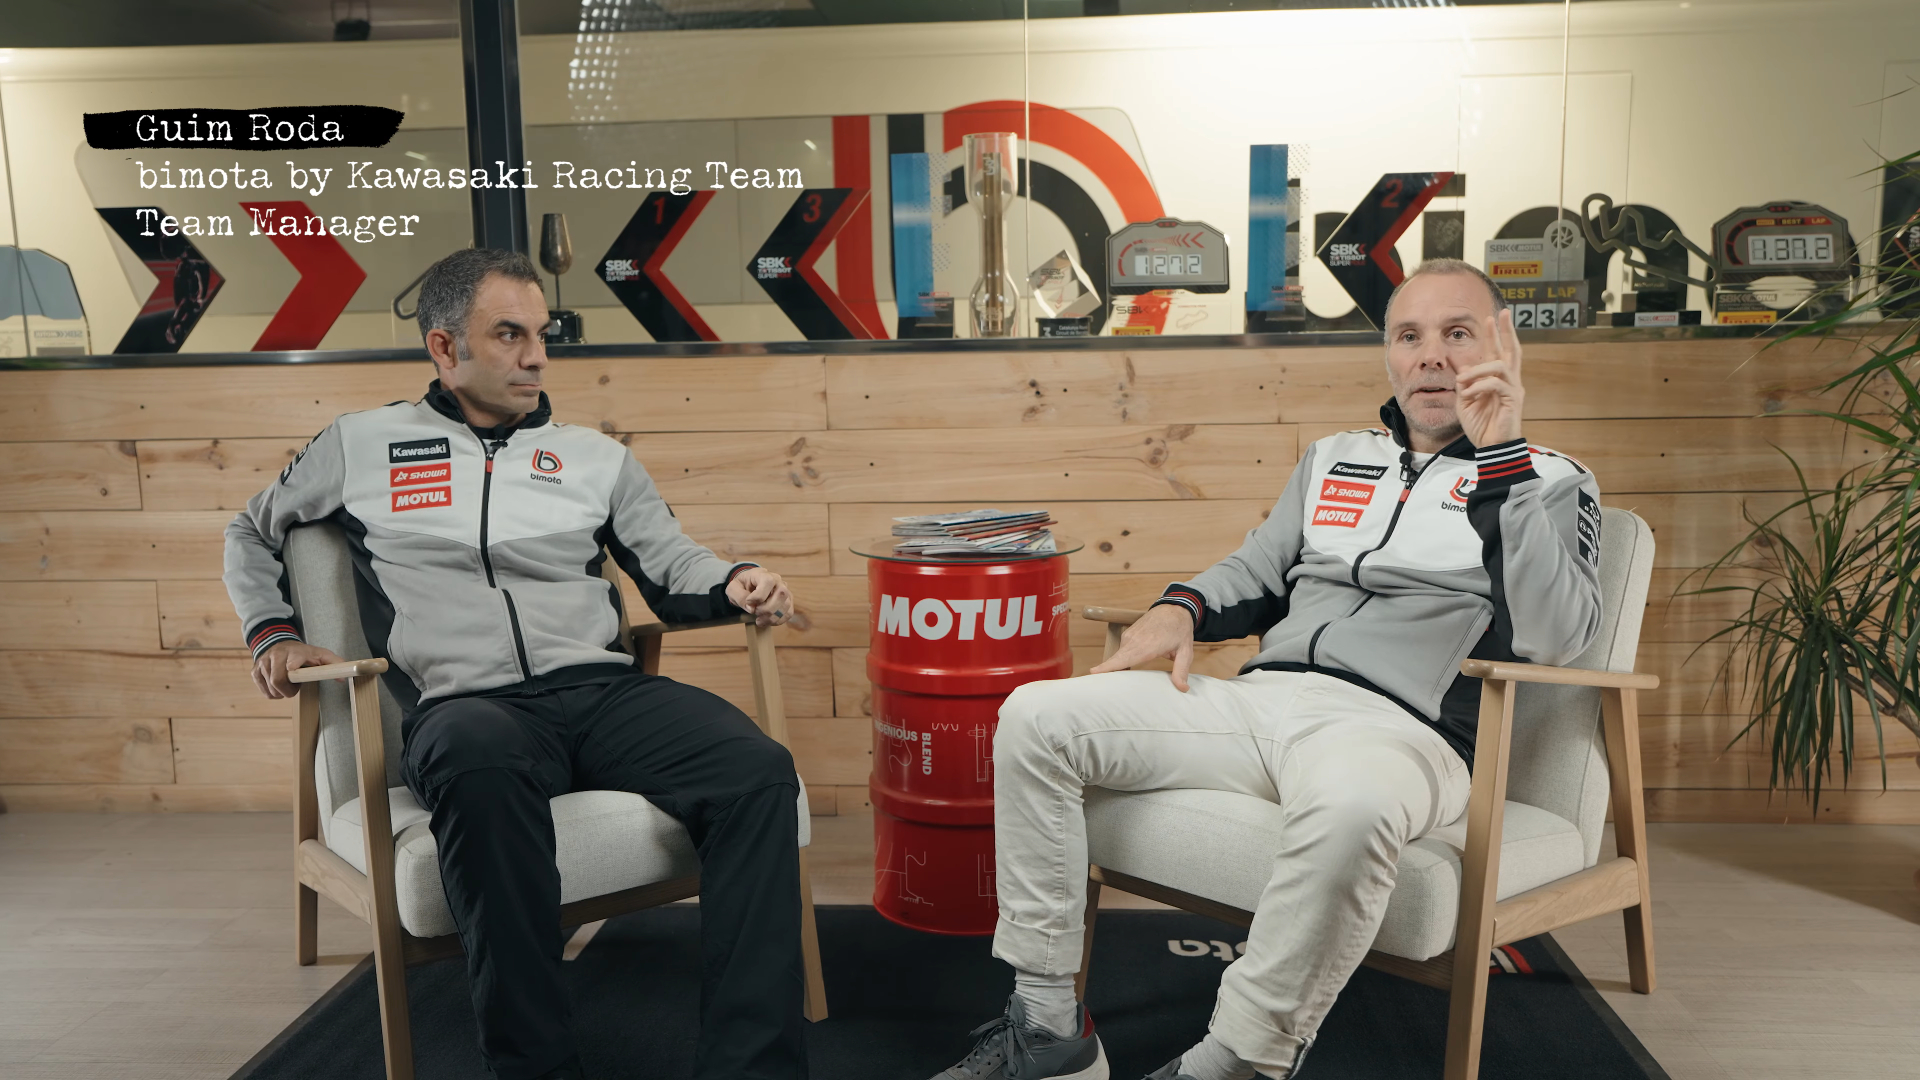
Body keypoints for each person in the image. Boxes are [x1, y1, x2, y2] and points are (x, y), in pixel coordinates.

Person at [929, 258, 1603, 1080]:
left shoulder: (1551, 480)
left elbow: (1554, 637)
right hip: (1261, 702)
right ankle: (1047, 1030)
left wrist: (1503, 462)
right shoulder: (1333, 458)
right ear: (1389, 355)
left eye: (1457, 333)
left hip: (1401, 733)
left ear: (1502, 345)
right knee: (1036, 716)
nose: (1431, 355)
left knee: (1355, 806)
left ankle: (1232, 1063)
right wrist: (1181, 607)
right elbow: (1257, 570)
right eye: (1409, 336)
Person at [224, 248, 809, 1080]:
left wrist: (735, 578)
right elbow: (250, 531)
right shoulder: (362, 444)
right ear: (444, 347)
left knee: (756, 770)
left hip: (604, 694)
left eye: (543, 334)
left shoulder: (595, 457)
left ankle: (752, 1069)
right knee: (477, 764)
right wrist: (272, 634)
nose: (537, 357)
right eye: (510, 335)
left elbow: (672, 564)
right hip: (468, 709)